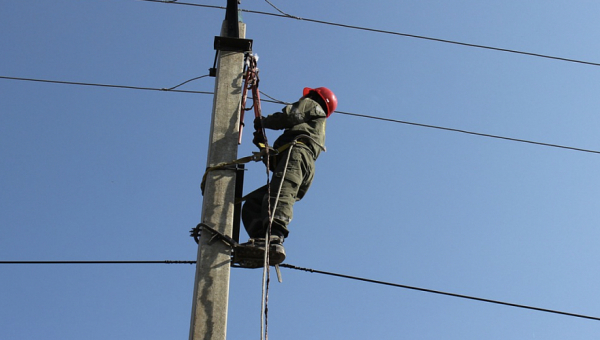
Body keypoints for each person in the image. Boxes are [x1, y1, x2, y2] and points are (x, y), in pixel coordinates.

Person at [240, 87, 337, 266]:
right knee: (254, 202)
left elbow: (290, 116)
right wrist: (262, 145)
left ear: (314, 96)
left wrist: (263, 121)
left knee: (280, 194)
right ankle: (260, 240)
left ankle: (274, 238)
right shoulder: (304, 132)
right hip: (299, 162)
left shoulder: (313, 105)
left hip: (298, 155)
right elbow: (275, 163)